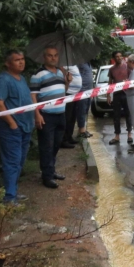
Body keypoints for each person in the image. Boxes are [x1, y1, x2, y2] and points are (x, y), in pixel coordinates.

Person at [0, 50, 35, 204]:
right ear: (8, 63)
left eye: (22, 59)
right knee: (12, 161)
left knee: (20, 161)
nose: (21, 62)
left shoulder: (21, 78)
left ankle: (13, 192)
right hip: (11, 129)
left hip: (25, 127)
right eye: (17, 60)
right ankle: (9, 197)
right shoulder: (3, 80)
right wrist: (12, 123)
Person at [30, 46, 72, 189]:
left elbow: (63, 92)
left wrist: (68, 82)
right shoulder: (38, 75)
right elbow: (33, 96)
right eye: (50, 55)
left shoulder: (61, 73)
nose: (53, 58)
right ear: (44, 57)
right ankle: (46, 176)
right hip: (46, 115)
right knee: (46, 146)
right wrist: (37, 114)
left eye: (55, 55)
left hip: (61, 114)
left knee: (56, 144)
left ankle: (51, 170)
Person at [107, 51, 132, 145]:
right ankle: (117, 136)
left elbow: (132, 79)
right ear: (114, 58)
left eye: (120, 56)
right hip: (117, 94)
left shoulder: (127, 67)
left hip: (127, 93)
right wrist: (108, 95)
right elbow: (110, 82)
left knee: (128, 114)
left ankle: (129, 134)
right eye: (117, 56)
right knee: (116, 116)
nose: (119, 58)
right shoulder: (112, 69)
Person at [61, 64, 81, 148]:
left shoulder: (74, 65)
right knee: (67, 117)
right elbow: (61, 71)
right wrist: (66, 74)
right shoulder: (63, 63)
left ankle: (69, 137)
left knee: (73, 117)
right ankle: (64, 140)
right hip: (68, 93)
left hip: (75, 94)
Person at [76, 61, 94, 139]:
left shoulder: (88, 63)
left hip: (89, 91)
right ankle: (81, 130)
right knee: (81, 111)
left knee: (86, 110)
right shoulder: (80, 63)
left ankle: (84, 128)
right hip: (82, 91)